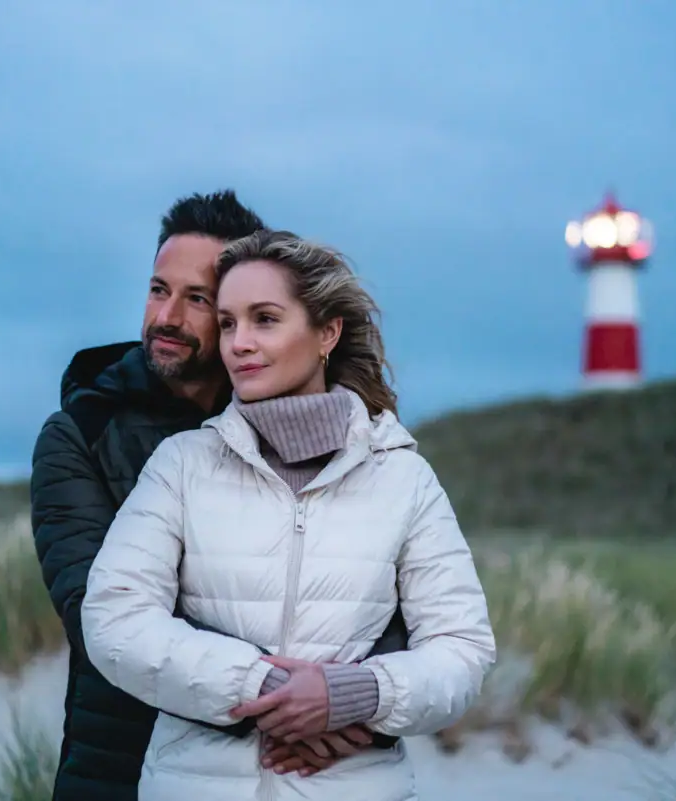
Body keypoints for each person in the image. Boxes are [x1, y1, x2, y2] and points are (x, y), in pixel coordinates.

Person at [81, 229, 497, 800]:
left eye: (265, 320)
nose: (239, 343)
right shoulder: (182, 465)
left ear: (327, 332)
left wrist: (352, 697)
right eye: (228, 323)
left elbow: (462, 648)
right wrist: (266, 687)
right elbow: (115, 619)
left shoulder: (403, 478)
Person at [30, 194, 407, 801]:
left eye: (198, 299)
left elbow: (386, 604)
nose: (167, 316)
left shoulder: (323, 432)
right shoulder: (82, 432)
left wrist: (349, 701)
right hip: (118, 758)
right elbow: (98, 613)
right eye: (158, 290)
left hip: (298, 772)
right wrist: (291, 699)